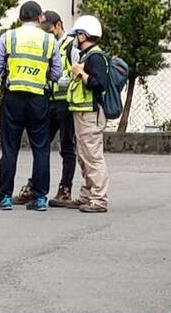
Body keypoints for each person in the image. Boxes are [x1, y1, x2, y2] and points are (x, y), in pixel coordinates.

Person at [0, 0, 62, 211]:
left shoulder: (8, 37)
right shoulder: (50, 41)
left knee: (10, 149)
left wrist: (11, 73)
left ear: (20, 18)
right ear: (40, 18)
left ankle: (4, 198)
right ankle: (39, 198)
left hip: (13, 98)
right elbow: (57, 74)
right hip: (39, 99)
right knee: (41, 149)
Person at [14, 10, 79, 208]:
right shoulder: (45, 43)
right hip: (48, 102)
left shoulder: (71, 46)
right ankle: (35, 187)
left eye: (50, 29)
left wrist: (59, 80)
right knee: (41, 147)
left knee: (67, 148)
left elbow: (77, 72)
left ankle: (65, 189)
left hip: (66, 104)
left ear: (59, 25)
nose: (48, 33)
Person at [65, 14, 111, 213]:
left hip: (90, 113)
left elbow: (99, 83)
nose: (75, 39)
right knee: (84, 156)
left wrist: (81, 73)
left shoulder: (96, 57)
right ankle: (87, 195)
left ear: (83, 35)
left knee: (92, 157)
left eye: (77, 35)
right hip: (83, 112)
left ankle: (99, 199)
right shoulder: (88, 56)